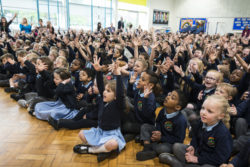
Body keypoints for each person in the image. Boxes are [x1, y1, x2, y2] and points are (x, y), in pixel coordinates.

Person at [73, 58, 126, 162]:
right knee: (81, 134)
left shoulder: (117, 103)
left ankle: (91, 150)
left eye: (108, 91)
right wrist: (98, 71)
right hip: (100, 131)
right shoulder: (103, 99)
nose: (104, 93)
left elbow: (120, 93)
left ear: (115, 96)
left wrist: (118, 75)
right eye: (105, 91)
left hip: (111, 134)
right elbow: (101, 86)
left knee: (113, 144)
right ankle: (101, 150)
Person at [159, 95, 233, 167]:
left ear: (220, 116)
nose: (203, 112)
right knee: (177, 146)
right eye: (203, 108)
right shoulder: (201, 122)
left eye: (209, 111)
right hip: (199, 154)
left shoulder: (222, 133)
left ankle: (178, 164)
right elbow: (195, 137)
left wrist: (197, 159)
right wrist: (193, 146)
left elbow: (220, 158)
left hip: (212, 161)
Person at [136, 90, 187, 161]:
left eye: (172, 98)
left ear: (177, 107)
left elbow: (179, 140)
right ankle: (147, 148)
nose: (168, 97)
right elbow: (158, 122)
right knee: (145, 127)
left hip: (169, 142)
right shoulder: (163, 110)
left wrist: (161, 138)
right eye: (169, 95)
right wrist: (158, 131)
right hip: (160, 135)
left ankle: (151, 148)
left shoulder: (180, 120)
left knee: (161, 148)